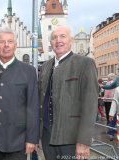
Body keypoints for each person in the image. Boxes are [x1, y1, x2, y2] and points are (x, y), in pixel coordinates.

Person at [0, 27, 39, 160]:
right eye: (2, 42)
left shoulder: (28, 71)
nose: (6, 45)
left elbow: (33, 107)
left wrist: (32, 138)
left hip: (18, 140)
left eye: (10, 41)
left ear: (15, 45)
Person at [38, 25, 98, 160]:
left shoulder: (85, 63)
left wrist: (83, 141)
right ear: (51, 42)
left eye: (62, 36)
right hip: (47, 136)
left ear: (71, 41)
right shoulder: (46, 66)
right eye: (54, 38)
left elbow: (90, 106)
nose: (58, 40)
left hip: (71, 138)